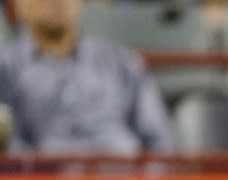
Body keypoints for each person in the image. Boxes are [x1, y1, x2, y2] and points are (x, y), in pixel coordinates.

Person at [0, 0, 174, 154]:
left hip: (127, 178)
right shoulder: (7, 69)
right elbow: (12, 148)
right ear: (18, 4)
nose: (57, 2)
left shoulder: (121, 62)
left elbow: (159, 141)